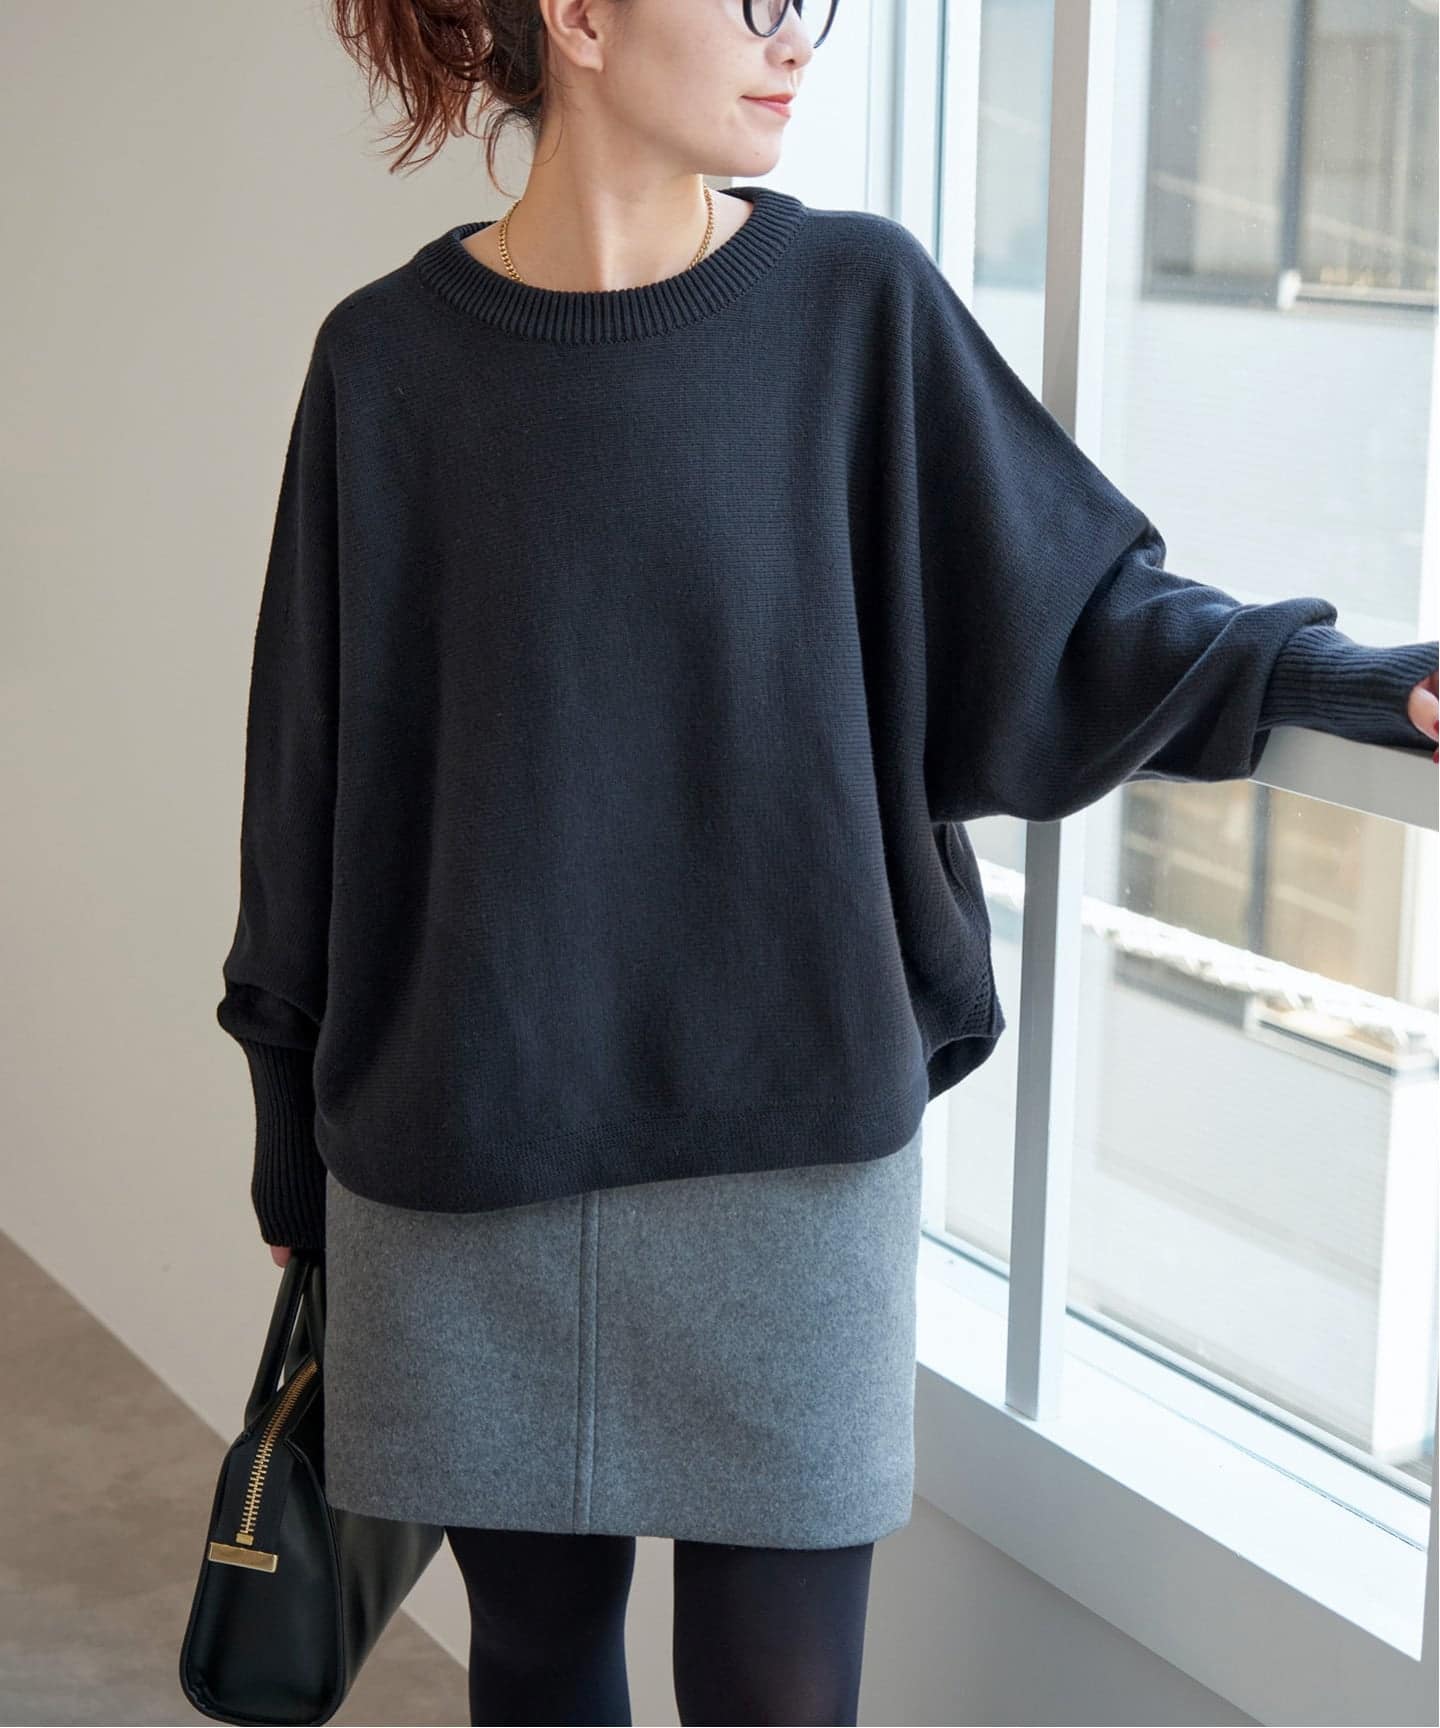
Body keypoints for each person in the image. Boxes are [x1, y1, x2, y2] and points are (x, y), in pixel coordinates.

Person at [215, 1, 1440, 1723]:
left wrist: (1350, 682)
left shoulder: (856, 303)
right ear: (581, 16)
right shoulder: (384, 362)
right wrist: (287, 1131)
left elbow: (1072, 618)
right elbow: (308, 769)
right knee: (536, 1663)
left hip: (788, 1153)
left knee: (781, 1699)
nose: (796, 37)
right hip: (464, 1154)